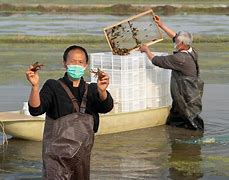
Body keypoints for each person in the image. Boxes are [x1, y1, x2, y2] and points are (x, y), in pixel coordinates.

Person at [26, 45, 114, 179]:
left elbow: (106, 107)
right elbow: (36, 109)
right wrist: (35, 86)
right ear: (65, 64)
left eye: (80, 62)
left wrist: (102, 91)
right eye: (73, 62)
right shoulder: (53, 86)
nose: (76, 65)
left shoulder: (91, 89)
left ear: (86, 66)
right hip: (56, 158)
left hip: (81, 158)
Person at [140, 15, 204, 130]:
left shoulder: (179, 58)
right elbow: (175, 36)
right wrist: (161, 25)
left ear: (183, 44)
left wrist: (146, 51)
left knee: (191, 121)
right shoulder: (192, 50)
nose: (176, 43)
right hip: (192, 91)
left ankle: (195, 136)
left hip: (186, 95)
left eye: (178, 42)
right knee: (178, 119)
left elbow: (157, 61)